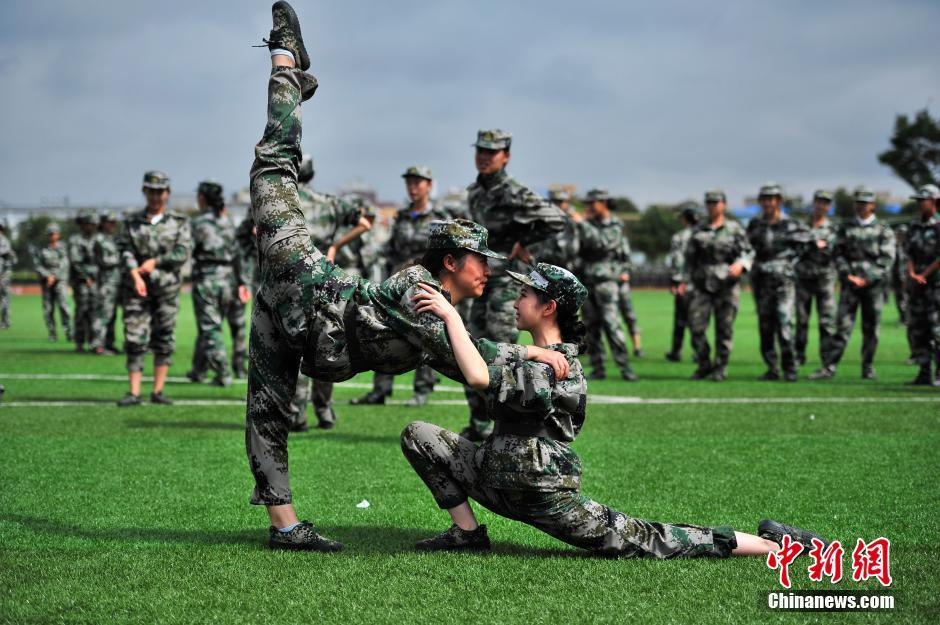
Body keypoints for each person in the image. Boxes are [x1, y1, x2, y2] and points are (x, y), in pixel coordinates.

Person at [246, 3, 570, 551]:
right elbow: (475, 358)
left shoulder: (438, 308)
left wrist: (528, 359)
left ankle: (287, 528)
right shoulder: (418, 293)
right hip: (297, 268)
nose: (487, 273)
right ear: (450, 264)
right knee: (276, 162)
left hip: (302, 329)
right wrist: (530, 354)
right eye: (479, 263)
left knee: (269, 406)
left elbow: (465, 357)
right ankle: (286, 59)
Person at [401, 262, 828, 557]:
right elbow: (472, 358)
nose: (516, 300)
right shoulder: (528, 353)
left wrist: (451, 318)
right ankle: (469, 535)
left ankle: (776, 545)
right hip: (495, 477)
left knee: (647, 540)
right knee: (419, 434)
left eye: (526, 293)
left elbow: (477, 374)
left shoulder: (559, 367)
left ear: (548, 307)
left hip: (543, 497)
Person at [461, 127, 565, 441]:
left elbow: (556, 218)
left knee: (504, 352)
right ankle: (480, 423)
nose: (484, 157)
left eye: (491, 153)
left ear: (505, 157)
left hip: (507, 284)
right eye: (480, 151)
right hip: (481, 281)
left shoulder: (514, 192)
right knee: (473, 349)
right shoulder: (475, 192)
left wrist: (525, 240)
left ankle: (505, 424)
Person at [352, 165, 453, 408]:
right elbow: (389, 248)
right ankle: (380, 390)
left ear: (429, 185)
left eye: (418, 182)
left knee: (427, 334)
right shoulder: (402, 216)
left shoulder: (440, 218)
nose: (413, 187)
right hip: (398, 282)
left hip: (426, 284)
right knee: (384, 331)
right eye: (409, 183)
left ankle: (422, 389)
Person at [287, 157, 373, 431]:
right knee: (326, 342)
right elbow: (365, 223)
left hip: (294, 281)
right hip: (326, 280)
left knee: (297, 346)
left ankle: (297, 414)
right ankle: (324, 410)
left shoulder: (287, 203)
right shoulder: (331, 203)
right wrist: (335, 246)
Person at [116, 170, 192, 406]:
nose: (155, 196)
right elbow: (124, 249)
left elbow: (182, 252)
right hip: (136, 289)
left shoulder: (179, 222)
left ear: (167, 194)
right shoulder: (131, 222)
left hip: (166, 289)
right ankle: (134, 392)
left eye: (160, 192)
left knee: (164, 338)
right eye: (151, 191)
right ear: (144, 192)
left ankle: (158, 391)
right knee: (134, 337)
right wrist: (134, 274)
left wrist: (155, 262)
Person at [809, 187, 896, 380]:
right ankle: (829, 367)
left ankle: (868, 367)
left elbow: (887, 258)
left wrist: (868, 278)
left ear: (872, 205)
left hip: (873, 287)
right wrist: (848, 275)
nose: (861, 206)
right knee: (842, 328)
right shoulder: (845, 227)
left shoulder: (883, 229)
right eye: (858, 203)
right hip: (850, 286)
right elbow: (838, 253)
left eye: (865, 203)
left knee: (871, 329)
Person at [679, 189, 754, 381]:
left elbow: (748, 252)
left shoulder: (734, 229)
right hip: (702, 285)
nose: (712, 206)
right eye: (709, 203)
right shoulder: (698, 230)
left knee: (724, 328)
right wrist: (682, 281)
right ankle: (704, 363)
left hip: (727, 286)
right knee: (696, 327)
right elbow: (689, 259)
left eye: (716, 202)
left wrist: (741, 264)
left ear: (724, 205)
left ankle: (721, 367)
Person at [187, 181, 251, 387]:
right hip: (229, 281)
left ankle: (223, 373)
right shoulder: (230, 223)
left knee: (210, 328)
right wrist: (242, 282)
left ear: (202, 199)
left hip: (207, 280)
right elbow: (238, 255)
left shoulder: (198, 224)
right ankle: (198, 369)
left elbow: (186, 251)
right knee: (210, 326)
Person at [746, 183, 810, 382]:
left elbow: (807, 248)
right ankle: (772, 368)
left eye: (772, 198)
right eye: (764, 199)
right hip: (761, 282)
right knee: (765, 326)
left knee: (784, 323)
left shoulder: (792, 224)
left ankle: (790, 367)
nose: (768, 202)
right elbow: (747, 248)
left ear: (779, 201)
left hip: (784, 282)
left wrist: (790, 265)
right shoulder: (755, 225)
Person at [575, 187, 638, 381]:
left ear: (603, 203)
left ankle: (625, 367)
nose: (589, 207)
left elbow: (602, 243)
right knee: (591, 327)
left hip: (606, 283)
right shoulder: (586, 224)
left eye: (592, 203)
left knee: (612, 324)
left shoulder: (614, 225)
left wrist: (582, 224)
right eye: (587, 203)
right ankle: (598, 367)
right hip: (587, 281)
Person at [794, 190, 837, 368]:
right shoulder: (802, 226)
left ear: (829, 206)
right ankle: (799, 355)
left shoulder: (833, 228)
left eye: (825, 203)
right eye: (819, 202)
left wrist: (812, 243)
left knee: (826, 322)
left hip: (825, 280)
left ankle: (827, 360)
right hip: (803, 278)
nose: (822, 206)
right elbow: (797, 243)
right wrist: (814, 242)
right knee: (801, 321)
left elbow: (832, 248)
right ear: (813, 203)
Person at [904, 184, 940, 386]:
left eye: (923, 200)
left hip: (936, 285)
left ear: (934, 201)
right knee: (918, 329)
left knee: (937, 329)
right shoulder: (914, 226)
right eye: (917, 200)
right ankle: (924, 371)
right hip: (918, 285)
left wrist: (924, 274)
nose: (919, 204)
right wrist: (911, 274)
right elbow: (908, 252)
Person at [665, 208, 698, 362]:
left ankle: (676, 352)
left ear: (685, 219)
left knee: (681, 320)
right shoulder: (703, 235)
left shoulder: (680, 237)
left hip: (684, 284)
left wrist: (675, 281)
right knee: (698, 320)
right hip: (701, 284)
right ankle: (700, 352)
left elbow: (676, 260)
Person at [32, 223, 71, 342]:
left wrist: (54, 276)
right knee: (48, 309)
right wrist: (47, 276)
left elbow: (65, 264)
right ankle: (52, 334)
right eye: (49, 234)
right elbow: (37, 265)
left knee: (64, 307)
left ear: (58, 235)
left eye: (53, 234)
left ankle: (69, 333)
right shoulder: (42, 250)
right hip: (46, 283)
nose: (51, 236)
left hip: (60, 282)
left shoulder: (63, 248)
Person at [68, 209, 100, 352]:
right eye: (89, 224)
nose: (92, 227)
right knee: (82, 312)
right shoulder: (76, 240)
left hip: (97, 281)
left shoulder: (98, 239)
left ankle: (95, 342)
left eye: (94, 224)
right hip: (82, 283)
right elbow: (75, 262)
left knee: (95, 312)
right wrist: (86, 277)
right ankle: (80, 342)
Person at [91, 212, 122, 355]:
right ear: (103, 223)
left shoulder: (112, 239)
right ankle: (98, 345)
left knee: (112, 315)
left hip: (115, 282)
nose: (113, 225)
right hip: (106, 283)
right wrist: (122, 258)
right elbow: (105, 261)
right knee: (103, 315)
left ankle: (109, 344)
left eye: (114, 222)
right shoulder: (99, 240)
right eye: (110, 222)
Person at [0, 218, 17, 329]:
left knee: (4, 298)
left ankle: (5, 321)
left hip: (3, 275)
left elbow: (10, 259)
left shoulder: (4, 241)